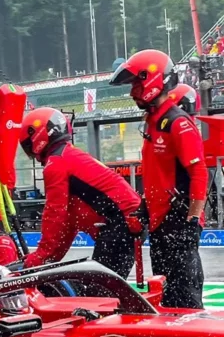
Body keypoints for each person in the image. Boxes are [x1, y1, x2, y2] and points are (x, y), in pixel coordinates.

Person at [111, 50, 206, 309]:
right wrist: (145, 206)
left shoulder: (178, 123)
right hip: (161, 222)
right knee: (165, 294)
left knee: (184, 297)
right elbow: (157, 175)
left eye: (136, 85)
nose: (132, 93)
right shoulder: (154, 122)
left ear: (152, 81)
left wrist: (192, 222)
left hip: (178, 222)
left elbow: (199, 173)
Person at [19, 106, 141, 276]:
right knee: (100, 284)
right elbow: (68, 223)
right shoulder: (69, 156)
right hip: (125, 221)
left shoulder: (56, 164)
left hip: (121, 222)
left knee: (99, 291)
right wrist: (47, 258)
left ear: (37, 138)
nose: (29, 152)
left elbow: (54, 214)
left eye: (27, 146)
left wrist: (40, 256)